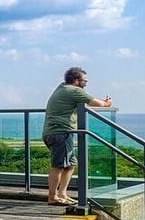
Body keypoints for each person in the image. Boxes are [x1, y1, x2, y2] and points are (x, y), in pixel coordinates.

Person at [42, 66, 112, 207]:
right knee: (58, 166)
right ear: (76, 80)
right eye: (84, 81)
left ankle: (62, 194)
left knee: (70, 164)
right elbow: (98, 104)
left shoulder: (63, 88)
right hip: (59, 133)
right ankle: (53, 197)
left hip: (57, 132)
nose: (86, 83)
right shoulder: (73, 90)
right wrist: (107, 103)